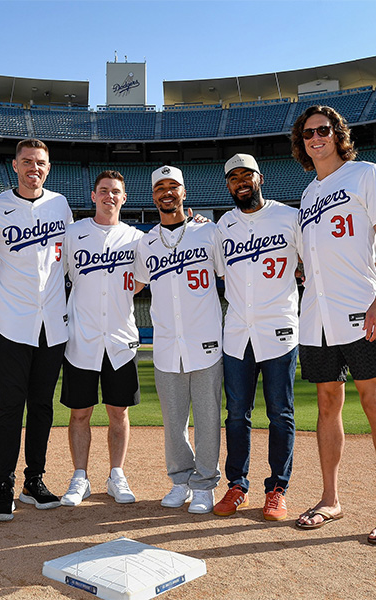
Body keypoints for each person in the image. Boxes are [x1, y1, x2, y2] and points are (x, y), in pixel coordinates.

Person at [289, 105, 376, 545]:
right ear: (301, 143)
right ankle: (330, 499)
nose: (316, 138)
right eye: (308, 134)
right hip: (315, 318)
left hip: (360, 308)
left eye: (323, 130)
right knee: (327, 402)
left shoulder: (366, 174)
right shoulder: (306, 195)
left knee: (374, 401)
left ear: (338, 134)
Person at [0, 139, 73, 522]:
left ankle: (34, 480)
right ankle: (3, 485)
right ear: (15, 166)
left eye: (40, 162)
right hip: (13, 322)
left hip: (53, 324)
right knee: (11, 406)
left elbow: (74, 252)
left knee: (42, 407)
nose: (34, 167)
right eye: (27, 161)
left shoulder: (60, 205)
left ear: (48, 168)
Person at [213, 154, 300, 521]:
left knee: (280, 413)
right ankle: (237, 485)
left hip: (278, 328)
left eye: (246, 174)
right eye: (233, 177)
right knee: (236, 413)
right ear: (228, 186)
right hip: (237, 332)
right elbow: (217, 271)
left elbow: (310, 264)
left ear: (260, 178)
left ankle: (277, 489)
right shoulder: (222, 226)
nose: (240, 181)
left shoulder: (289, 216)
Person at [133, 165, 224, 515]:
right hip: (167, 343)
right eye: (160, 187)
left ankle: (204, 485)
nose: (167, 193)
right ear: (153, 195)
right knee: (173, 421)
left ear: (184, 192)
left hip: (205, 341)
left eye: (173, 186)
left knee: (206, 418)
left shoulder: (209, 233)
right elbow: (137, 283)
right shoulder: (146, 242)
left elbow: (228, 272)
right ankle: (180, 480)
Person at [58, 170, 143, 507]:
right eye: (104, 190)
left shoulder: (137, 238)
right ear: (93, 196)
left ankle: (116, 475)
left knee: (118, 412)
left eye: (116, 191)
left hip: (121, 339)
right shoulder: (73, 233)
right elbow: (49, 271)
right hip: (82, 337)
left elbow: (142, 281)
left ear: (124, 198)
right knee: (80, 413)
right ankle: (80, 477)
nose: (110, 196)